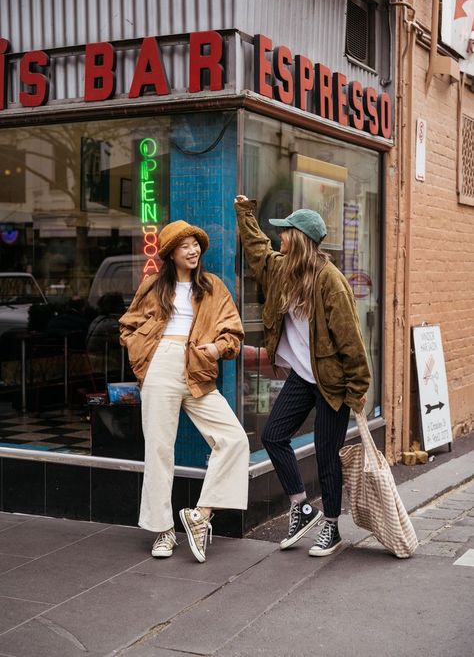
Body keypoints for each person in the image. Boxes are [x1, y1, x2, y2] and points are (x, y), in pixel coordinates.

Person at [234, 196, 370, 557]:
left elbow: (351, 339)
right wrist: (245, 214)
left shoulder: (330, 281)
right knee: (274, 435)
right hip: (301, 378)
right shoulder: (281, 270)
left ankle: (331, 527)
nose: (279, 237)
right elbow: (257, 250)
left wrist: (357, 392)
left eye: (285, 232)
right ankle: (301, 506)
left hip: (331, 382)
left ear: (300, 239)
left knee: (327, 454)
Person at [119, 220, 249, 563]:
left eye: (195, 245)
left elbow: (233, 332)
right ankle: (163, 531)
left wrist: (218, 349)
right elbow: (128, 324)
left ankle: (200, 515)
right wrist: (142, 353)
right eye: (184, 246)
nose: (192, 251)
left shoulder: (212, 287)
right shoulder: (152, 287)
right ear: (171, 254)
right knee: (159, 450)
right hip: (160, 365)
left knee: (235, 439)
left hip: (198, 367)